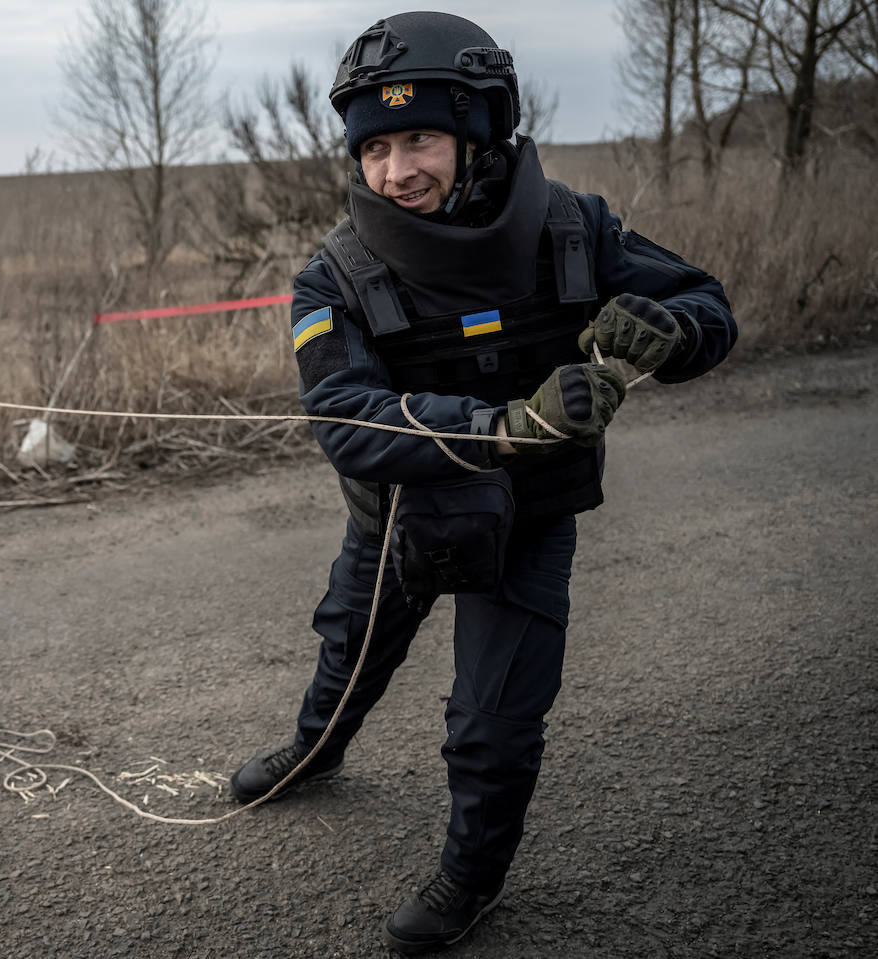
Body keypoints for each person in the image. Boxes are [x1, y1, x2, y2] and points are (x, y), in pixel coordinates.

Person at [228, 11, 737, 955]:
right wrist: (502, 427)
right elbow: (344, 420)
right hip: (400, 519)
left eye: (418, 137)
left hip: (531, 520)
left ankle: (472, 875)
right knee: (350, 650)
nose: (396, 170)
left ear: (478, 130)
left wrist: (675, 335)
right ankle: (317, 747)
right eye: (374, 147)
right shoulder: (332, 276)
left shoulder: (572, 227)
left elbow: (706, 301)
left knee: (493, 721)